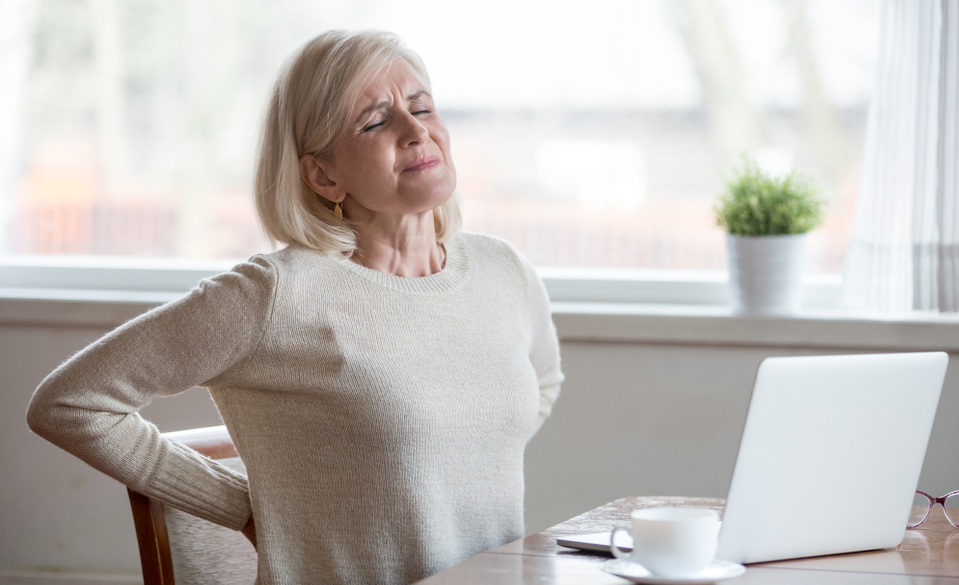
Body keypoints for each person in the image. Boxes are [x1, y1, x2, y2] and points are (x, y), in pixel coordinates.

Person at [26, 30, 563, 585]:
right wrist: (242, 505)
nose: (416, 130)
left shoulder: (505, 272)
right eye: (377, 121)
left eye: (422, 105)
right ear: (323, 174)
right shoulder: (277, 295)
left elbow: (542, 382)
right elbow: (70, 404)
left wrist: (456, 445)